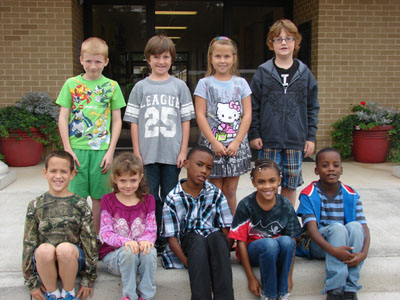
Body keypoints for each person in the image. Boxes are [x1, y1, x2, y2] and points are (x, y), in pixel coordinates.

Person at [124, 35, 195, 251]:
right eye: (156, 57)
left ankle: (171, 234)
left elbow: (186, 120)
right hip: (148, 153)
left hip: (172, 153)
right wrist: (137, 151)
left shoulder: (179, 86)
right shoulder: (140, 88)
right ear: (148, 59)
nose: (161, 61)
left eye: (165, 57)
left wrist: (184, 150)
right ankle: (153, 234)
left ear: (172, 59)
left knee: (172, 195)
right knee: (150, 196)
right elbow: (134, 122)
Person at [56, 37, 126, 235]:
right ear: (81, 60)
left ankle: (94, 238)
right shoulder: (71, 84)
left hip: (101, 151)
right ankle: (76, 237)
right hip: (77, 150)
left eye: (97, 61)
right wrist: (67, 150)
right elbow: (62, 118)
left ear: (106, 62)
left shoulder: (112, 87)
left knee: (99, 198)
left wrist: (111, 151)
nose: (93, 66)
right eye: (88, 61)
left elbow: (117, 121)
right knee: (75, 198)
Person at [249, 19, 320, 206]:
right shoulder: (263, 72)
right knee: (266, 184)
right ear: (271, 44)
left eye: (288, 38)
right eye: (278, 39)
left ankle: (287, 221)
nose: (283, 43)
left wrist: (310, 136)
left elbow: (312, 107)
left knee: (290, 184)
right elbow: (253, 105)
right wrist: (254, 133)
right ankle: (267, 222)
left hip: (295, 140)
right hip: (268, 140)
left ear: (296, 43)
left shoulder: (305, 74)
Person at [161, 145, 234, 300]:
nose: (204, 171)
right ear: (186, 163)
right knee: (197, 239)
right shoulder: (173, 198)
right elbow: (172, 238)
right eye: (199, 165)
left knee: (217, 237)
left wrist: (218, 259)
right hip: (188, 248)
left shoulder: (215, 193)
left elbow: (227, 230)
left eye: (209, 168)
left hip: (213, 249)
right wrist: (191, 264)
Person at [22, 150, 98, 300]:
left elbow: (90, 243)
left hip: (72, 260)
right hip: (45, 262)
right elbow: (28, 244)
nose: (58, 176)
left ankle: (68, 293)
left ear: (72, 174)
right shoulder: (35, 205)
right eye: (53, 171)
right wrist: (31, 283)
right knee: (44, 250)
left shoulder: (80, 205)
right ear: (45, 173)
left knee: (64, 248)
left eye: (63, 171)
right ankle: (53, 294)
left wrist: (88, 278)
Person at [296, 147, 370, 300]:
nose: (331, 169)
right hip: (319, 245)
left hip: (345, 248)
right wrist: (334, 250)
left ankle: (350, 289)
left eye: (335, 165)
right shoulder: (308, 194)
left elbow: (364, 228)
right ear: (316, 170)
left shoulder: (351, 194)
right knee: (338, 228)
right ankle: (335, 290)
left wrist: (363, 253)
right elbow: (312, 231)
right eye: (325, 165)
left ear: (341, 169)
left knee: (355, 226)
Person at [194, 36, 252, 214]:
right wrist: (214, 143)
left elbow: (247, 114)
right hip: (212, 146)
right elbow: (200, 115)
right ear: (211, 58)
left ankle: (232, 231)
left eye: (227, 56)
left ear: (234, 58)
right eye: (218, 56)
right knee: (214, 190)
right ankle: (215, 228)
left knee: (230, 191)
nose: (222, 61)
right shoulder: (204, 84)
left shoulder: (241, 83)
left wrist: (237, 142)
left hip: (236, 146)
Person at [229, 159, 301, 300]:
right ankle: (269, 295)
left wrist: (288, 277)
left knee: (286, 241)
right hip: (254, 251)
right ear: (253, 182)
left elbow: (292, 240)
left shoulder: (285, 204)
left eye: (272, 181)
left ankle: (283, 293)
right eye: (261, 182)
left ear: (279, 180)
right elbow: (241, 243)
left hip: (276, 251)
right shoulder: (246, 205)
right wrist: (251, 278)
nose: (267, 186)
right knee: (269, 244)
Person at [99, 152, 157, 300]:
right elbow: (105, 233)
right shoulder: (108, 200)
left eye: (133, 180)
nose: (128, 185)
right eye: (123, 180)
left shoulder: (148, 200)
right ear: (114, 179)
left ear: (140, 178)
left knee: (150, 251)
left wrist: (145, 241)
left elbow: (151, 229)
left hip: (139, 259)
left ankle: (146, 295)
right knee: (128, 252)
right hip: (114, 258)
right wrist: (127, 242)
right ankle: (129, 296)